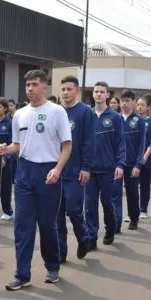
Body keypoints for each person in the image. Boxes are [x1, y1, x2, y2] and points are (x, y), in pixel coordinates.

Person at [0, 69, 71, 290]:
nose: (30, 89)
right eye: (27, 85)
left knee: (47, 225)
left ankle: (52, 266)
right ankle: (22, 274)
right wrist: (5, 149)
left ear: (44, 87)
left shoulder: (57, 112)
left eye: (34, 84)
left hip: (48, 171)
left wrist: (58, 169)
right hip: (25, 172)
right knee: (23, 225)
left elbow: (67, 145)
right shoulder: (19, 114)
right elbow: (17, 145)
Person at [57, 76, 95, 261]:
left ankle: (83, 238)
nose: (65, 93)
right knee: (57, 216)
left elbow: (89, 141)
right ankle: (61, 252)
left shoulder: (85, 112)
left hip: (75, 171)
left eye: (69, 89)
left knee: (73, 210)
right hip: (56, 172)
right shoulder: (56, 111)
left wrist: (86, 167)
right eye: (63, 89)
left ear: (77, 90)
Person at [85, 81, 124, 249]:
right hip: (89, 170)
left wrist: (120, 165)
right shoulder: (87, 115)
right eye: (96, 91)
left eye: (102, 92)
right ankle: (91, 237)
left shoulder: (115, 117)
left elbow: (121, 143)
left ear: (108, 95)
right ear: (93, 94)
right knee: (89, 205)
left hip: (108, 169)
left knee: (107, 203)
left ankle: (110, 229)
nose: (99, 94)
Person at [117, 89, 145, 231]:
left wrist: (138, 164)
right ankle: (115, 222)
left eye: (127, 101)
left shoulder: (139, 120)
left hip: (132, 164)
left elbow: (142, 144)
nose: (124, 104)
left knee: (132, 192)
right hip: (117, 165)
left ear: (134, 102)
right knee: (114, 194)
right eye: (122, 101)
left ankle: (134, 218)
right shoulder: (116, 119)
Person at [136, 95, 151, 219]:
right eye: (138, 104)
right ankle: (133, 211)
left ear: (148, 107)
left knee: (144, 185)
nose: (139, 107)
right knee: (133, 186)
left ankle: (143, 209)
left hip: (146, 159)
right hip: (133, 160)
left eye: (142, 105)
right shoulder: (134, 120)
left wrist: (145, 155)